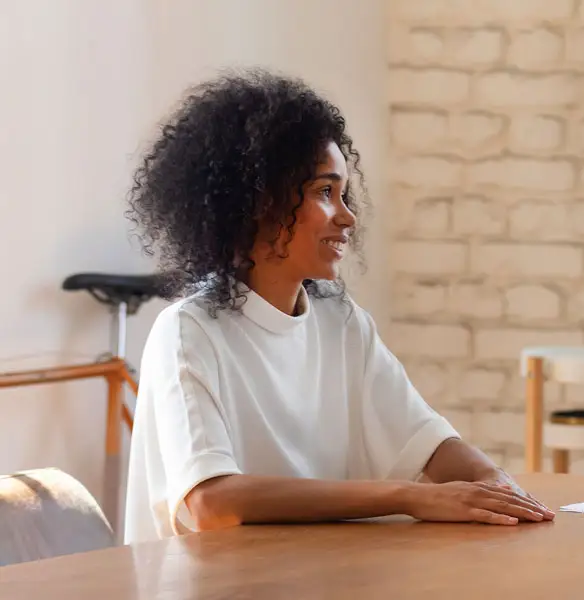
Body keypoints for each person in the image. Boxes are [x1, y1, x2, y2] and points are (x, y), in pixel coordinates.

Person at [122, 69, 553, 544]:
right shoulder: (189, 331)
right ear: (257, 203)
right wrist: (408, 497)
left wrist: (495, 485)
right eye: (324, 192)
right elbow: (214, 503)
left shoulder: (340, 321)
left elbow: (429, 442)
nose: (347, 217)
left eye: (344, 194)